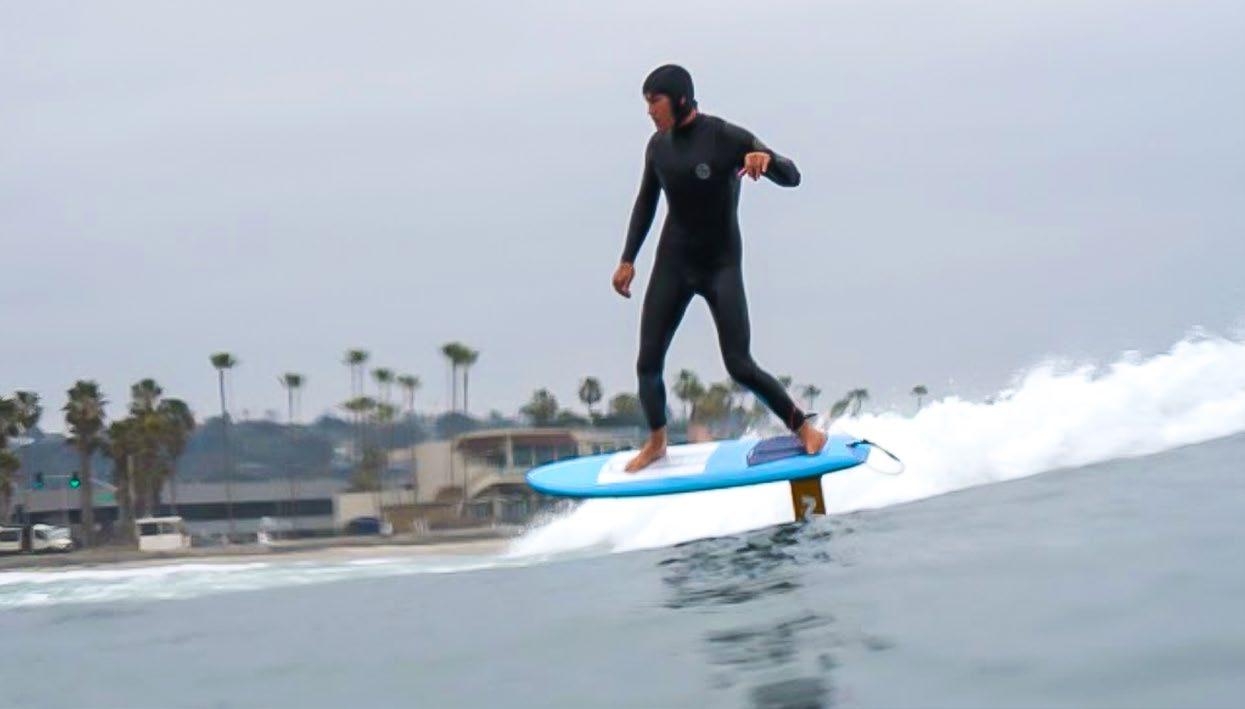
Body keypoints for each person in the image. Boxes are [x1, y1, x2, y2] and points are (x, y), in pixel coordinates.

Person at [612, 64, 826, 472]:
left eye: (655, 102)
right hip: (674, 264)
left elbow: (792, 176)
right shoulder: (657, 147)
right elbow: (645, 203)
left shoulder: (726, 137)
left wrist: (767, 160)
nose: (649, 111)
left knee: (739, 364)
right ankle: (657, 442)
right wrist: (627, 259)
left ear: (680, 99)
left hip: (720, 266)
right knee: (648, 363)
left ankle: (804, 429)